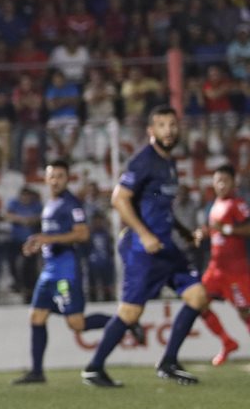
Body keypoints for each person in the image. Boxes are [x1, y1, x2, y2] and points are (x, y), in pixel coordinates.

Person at [82, 106, 210, 388]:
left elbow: (162, 209)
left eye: (173, 125)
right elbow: (119, 199)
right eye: (162, 125)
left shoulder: (170, 164)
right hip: (143, 248)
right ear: (151, 131)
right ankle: (94, 367)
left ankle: (169, 362)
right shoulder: (144, 161)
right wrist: (145, 234)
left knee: (198, 296)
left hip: (166, 247)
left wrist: (185, 234)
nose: (169, 130)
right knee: (130, 313)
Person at [12, 161, 113, 384]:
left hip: (66, 272)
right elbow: (52, 235)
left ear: (68, 179)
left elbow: (82, 234)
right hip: (49, 269)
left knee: (76, 324)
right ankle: (37, 372)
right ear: (46, 179)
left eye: (60, 176)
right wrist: (37, 242)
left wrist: (48, 239)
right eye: (52, 176)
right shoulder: (51, 203)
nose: (56, 180)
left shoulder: (71, 204)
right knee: (37, 317)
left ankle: (121, 321)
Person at [192, 165, 250, 366]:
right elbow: (215, 231)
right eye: (218, 181)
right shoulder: (214, 205)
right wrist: (204, 233)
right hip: (215, 268)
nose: (221, 184)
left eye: (225, 180)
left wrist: (225, 228)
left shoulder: (238, 203)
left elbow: (248, 228)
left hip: (236, 270)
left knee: (245, 312)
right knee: (198, 302)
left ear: (234, 182)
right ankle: (227, 342)